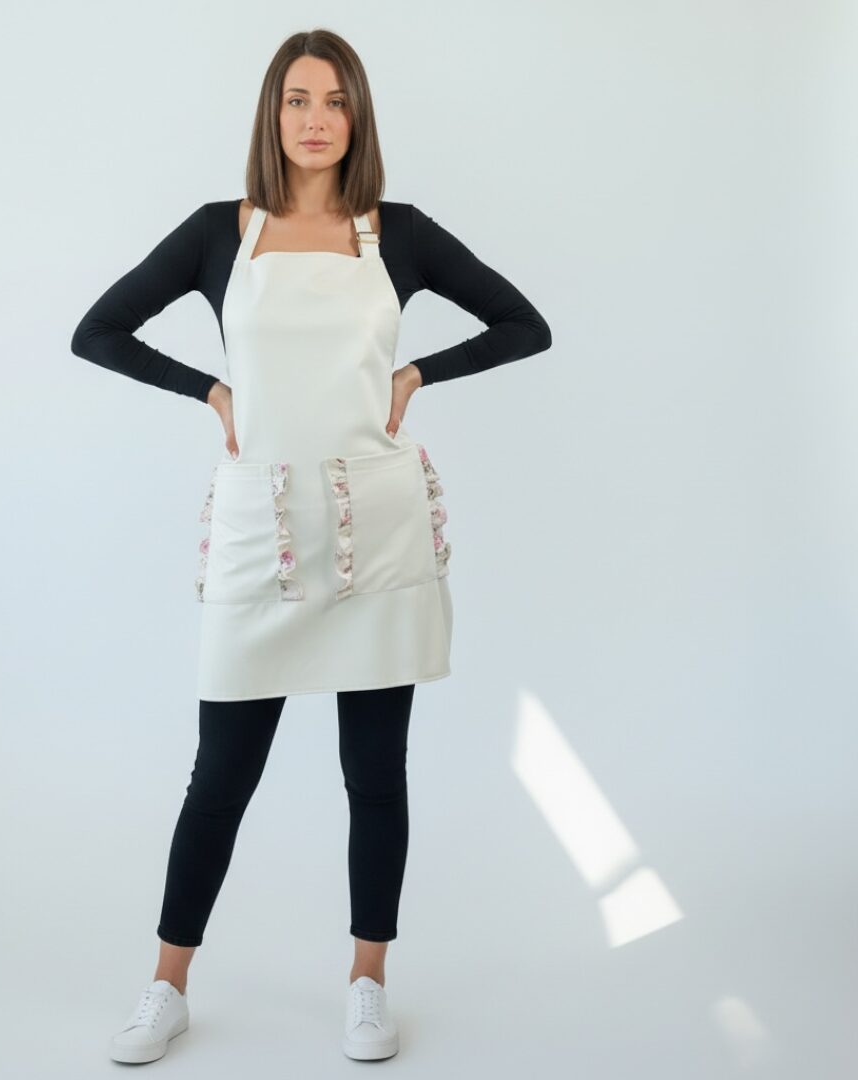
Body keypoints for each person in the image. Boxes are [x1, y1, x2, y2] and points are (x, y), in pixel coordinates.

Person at [70, 28, 551, 1065]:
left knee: (374, 773)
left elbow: (525, 323)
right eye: (298, 99)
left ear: (358, 115)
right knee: (220, 776)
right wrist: (209, 389)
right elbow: (97, 330)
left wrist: (417, 373)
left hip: (377, 525)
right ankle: (166, 988)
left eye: (335, 100)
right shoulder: (220, 232)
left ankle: (367, 985)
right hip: (264, 528)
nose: (317, 118)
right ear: (272, 113)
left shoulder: (398, 234)